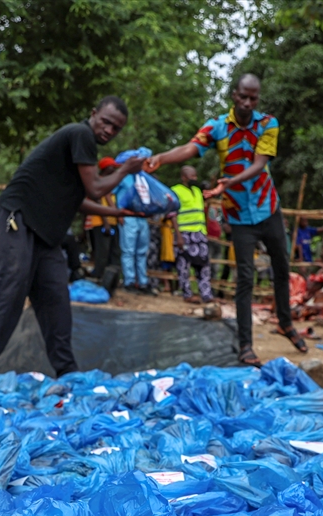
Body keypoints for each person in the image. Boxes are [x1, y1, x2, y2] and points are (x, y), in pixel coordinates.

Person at [0, 97, 143, 375]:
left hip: (47, 234)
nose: (108, 130)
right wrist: (125, 170)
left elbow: (79, 200)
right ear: (93, 114)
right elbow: (95, 189)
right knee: (13, 286)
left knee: (55, 298)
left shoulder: (81, 152)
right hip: (18, 216)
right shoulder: (81, 134)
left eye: (115, 128)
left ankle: (67, 372)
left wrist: (120, 213)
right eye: (105, 122)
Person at [146, 74, 305, 366]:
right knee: (244, 277)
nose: (246, 103)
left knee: (281, 267)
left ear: (258, 99)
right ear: (234, 95)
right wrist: (161, 158)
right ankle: (246, 345)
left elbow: (259, 165)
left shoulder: (268, 124)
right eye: (242, 96)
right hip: (239, 215)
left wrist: (228, 183)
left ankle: (285, 322)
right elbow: (191, 148)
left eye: (252, 98)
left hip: (268, 207)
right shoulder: (217, 126)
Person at [171, 165, 213, 304]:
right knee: (184, 265)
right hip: (184, 232)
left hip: (200, 232)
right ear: (184, 177)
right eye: (191, 176)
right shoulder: (175, 191)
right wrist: (178, 236)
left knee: (204, 264)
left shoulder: (197, 191)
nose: (194, 179)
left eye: (195, 176)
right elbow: (172, 214)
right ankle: (187, 294)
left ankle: (206, 294)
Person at [85, 157, 122, 287]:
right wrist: (105, 222)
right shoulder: (98, 182)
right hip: (100, 222)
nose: (115, 170)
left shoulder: (110, 183)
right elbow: (98, 201)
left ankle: (112, 280)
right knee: (102, 252)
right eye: (113, 167)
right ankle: (99, 279)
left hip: (112, 222)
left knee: (115, 252)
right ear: (107, 168)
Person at [117, 171, 152, 294]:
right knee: (128, 251)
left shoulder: (144, 178)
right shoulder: (123, 177)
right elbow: (110, 194)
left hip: (142, 218)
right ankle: (129, 281)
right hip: (128, 217)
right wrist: (117, 213)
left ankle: (143, 282)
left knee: (142, 252)